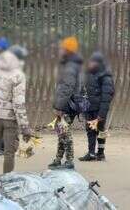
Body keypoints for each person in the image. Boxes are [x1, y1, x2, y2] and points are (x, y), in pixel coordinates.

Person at [0, 46, 32, 188]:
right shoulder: (18, 75)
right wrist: (25, 126)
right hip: (10, 118)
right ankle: (6, 185)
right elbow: (19, 103)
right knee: (9, 153)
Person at [48, 36, 83, 170]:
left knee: (65, 133)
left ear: (68, 50)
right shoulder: (69, 64)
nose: (59, 50)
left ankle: (69, 161)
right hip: (66, 105)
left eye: (62, 48)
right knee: (61, 132)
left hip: (66, 106)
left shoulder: (70, 67)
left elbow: (66, 88)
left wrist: (59, 107)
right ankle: (58, 159)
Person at [79, 52, 114, 162]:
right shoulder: (89, 74)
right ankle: (91, 153)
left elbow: (107, 96)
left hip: (99, 109)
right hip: (89, 108)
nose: (90, 64)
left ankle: (101, 153)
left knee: (101, 130)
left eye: (92, 62)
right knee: (90, 131)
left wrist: (102, 114)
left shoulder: (105, 76)